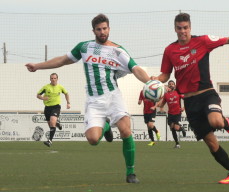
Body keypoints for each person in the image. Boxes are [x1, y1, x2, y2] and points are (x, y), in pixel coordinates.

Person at [26, 13, 151, 184]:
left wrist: (151, 82)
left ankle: (131, 172)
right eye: (99, 29)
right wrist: (37, 66)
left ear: (109, 28)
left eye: (105, 28)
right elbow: (63, 60)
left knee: (126, 130)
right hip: (94, 100)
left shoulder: (118, 51)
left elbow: (135, 68)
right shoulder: (84, 47)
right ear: (93, 31)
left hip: (114, 97)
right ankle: (106, 126)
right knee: (92, 139)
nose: (102, 32)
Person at [152, 13, 229, 184]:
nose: (182, 31)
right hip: (190, 102)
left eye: (185, 28)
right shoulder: (170, 50)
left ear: (190, 27)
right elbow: (166, 74)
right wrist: (155, 80)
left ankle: (226, 124)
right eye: (179, 28)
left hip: (206, 94)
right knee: (212, 144)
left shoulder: (203, 41)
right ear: (174, 29)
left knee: (217, 122)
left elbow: (228, 39)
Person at [37, 73, 70, 147]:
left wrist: (68, 103)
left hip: (56, 107)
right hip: (47, 108)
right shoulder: (46, 87)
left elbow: (66, 93)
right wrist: (43, 98)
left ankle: (50, 141)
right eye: (52, 78)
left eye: (55, 78)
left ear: (57, 79)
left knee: (52, 121)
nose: (53, 80)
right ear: (50, 79)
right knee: (51, 125)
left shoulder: (60, 87)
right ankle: (57, 123)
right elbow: (38, 95)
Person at [159, 80, 186, 149]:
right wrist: (161, 108)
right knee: (172, 128)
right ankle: (177, 144)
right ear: (168, 86)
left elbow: (187, 100)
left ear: (174, 85)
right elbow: (162, 104)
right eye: (170, 84)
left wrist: (183, 108)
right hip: (170, 113)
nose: (171, 85)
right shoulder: (166, 95)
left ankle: (182, 129)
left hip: (177, 113)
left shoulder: (178, 92)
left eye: (172, 84)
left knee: (176, 128)